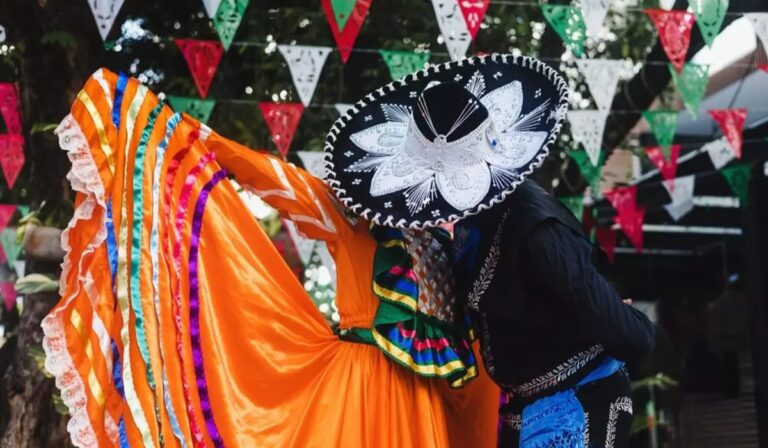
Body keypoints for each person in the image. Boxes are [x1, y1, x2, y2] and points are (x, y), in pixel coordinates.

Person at [43, 67, 500, 447]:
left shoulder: (451, 244)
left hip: (425, 407)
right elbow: (283, 182)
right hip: (361, 395)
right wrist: (205, 143)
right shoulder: (354, 219)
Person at [321, 53, 654, 447]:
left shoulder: (536, 230)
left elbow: (631, 335)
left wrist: (626, 317)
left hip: (581, 401)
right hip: (523, 409)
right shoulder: (470, 228)